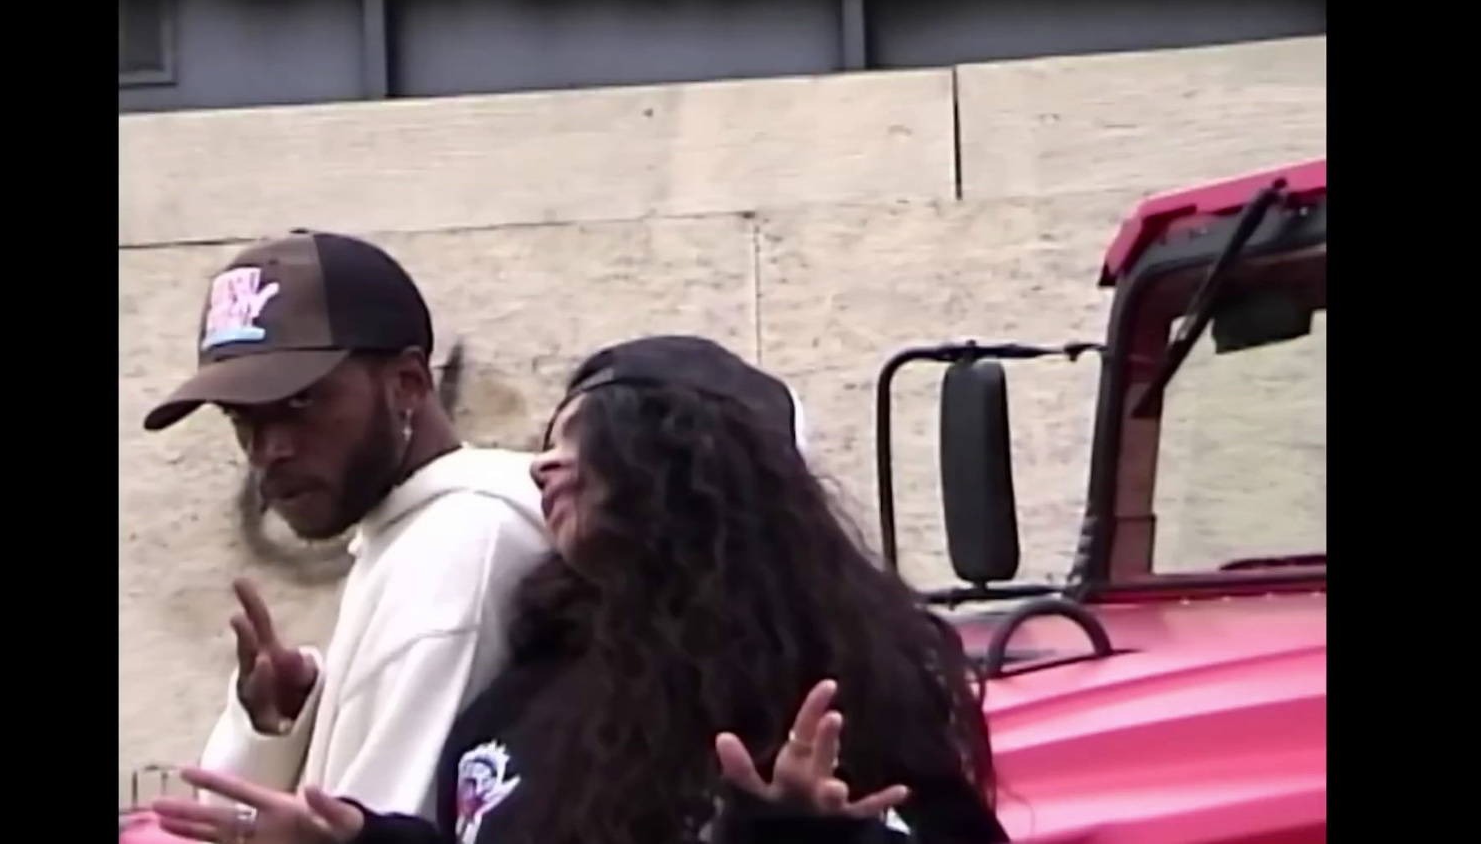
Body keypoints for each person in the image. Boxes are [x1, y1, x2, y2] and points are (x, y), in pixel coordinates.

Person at [153, 336, 1009, 843]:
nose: (544, 463)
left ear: (683, 469)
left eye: (585, 440)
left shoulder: (828, 694)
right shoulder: (532, 686)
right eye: (548, 437)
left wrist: (800, 839)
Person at [140, 230, 552, 825]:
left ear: (408, 383)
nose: (267, 449)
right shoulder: (411, 531)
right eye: (242, 419)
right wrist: (283, 724)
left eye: (300, 404)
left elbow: (377, 833)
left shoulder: (464, 546)